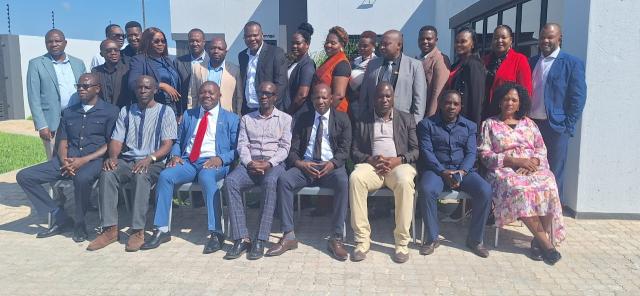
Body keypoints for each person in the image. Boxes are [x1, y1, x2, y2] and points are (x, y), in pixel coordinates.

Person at [17, 73, 119, 242]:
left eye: (85, 86)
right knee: (25, 176)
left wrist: (83, 161)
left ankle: (80, 222)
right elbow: (62, 140)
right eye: (78, 86)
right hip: (66, 161)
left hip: (93, 161)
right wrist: (65, 160)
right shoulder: (70, 112)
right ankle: (59, 216)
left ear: (97, 89)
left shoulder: (110, 111)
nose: (81, 89)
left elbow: (110, 144)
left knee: (81, 178)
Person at [141, 82, 240, 253]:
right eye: (203, 92)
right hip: (188, 161)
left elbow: (237, 149)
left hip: (214, 161)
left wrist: (221, 159)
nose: (206, 96)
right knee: (165, 176)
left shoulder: (231, 118)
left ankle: (216, 232)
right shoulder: (189, 115)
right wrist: (176, 155)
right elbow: (178, 141)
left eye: (211, 93)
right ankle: (162, 229)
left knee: (206, 178)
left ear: (219, 96)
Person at [87, 75, 177, 252]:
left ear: (155, 90)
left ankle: (137, 231)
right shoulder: (126, 111)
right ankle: (110, 229)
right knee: (108, 172)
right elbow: (116, 140)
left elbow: (167, 144)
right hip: (128, 160)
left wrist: (149, 159)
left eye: (147, 88)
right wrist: (113, 157)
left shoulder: (166, 111)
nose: (143, 91)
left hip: (154, 161)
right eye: (139, 88)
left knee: (141, 175)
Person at [478, 82, 565, 265]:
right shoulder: (490, 124)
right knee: (520, 189)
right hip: (503, 171)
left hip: (532, 168)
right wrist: (515, 161)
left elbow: (541, 148)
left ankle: (537, 241)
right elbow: (485, 155)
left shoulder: (529, 124)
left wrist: (532, 162)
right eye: (506, 99)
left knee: (549, 184)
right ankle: (546, 245)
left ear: (520, 104)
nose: (510, 103)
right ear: (500, 102)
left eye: (514, 100)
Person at [269, 84, 351, 260]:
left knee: (343, 182)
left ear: (331, 99)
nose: (320, 101)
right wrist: (300, 164)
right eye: (316, 98)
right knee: (284, 180)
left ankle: (336, 238)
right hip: (307, 166)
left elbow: (345, 150)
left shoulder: (342, 119)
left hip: (330, 167)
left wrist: (333, 164)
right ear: (312, 100)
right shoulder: (302, 119)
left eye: (324, 98)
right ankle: (288, 235)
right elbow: (292, 149)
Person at [349, 82, 419, 264]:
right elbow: (354, 151)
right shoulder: (363, 119)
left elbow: (416, 150)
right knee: (356, 178)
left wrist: (398, 159)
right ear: (374, 99)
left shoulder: (406, 118)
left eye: (388, 96)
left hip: (398, 166)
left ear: (393, 98)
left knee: (405, 182)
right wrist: (370, 159)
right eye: (380, 96)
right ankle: (362, 240)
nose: (384, 100)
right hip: (372, 167)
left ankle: (402, 243)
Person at [416, 90, 491, 258]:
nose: (451, 107)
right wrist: (443, 172)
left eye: (455, 104)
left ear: (460, 107)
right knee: (427, 190)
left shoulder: (469, 126)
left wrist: (461, 172)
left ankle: (475, 239)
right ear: (441, 103)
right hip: (436, 170)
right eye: (448, 103)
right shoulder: (426, 125)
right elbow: (427, 152)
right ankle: (432, 238)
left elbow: (472, 153)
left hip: (463, 170)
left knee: (485, 190)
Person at [223, 81, 292, 260]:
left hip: (273, 165)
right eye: (261, 93)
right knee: (231, 181)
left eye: (268, 94)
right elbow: (242, 145)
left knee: (270, 182)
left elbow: (285, 148)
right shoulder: (247, 118)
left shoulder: (285, 119)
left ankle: (260, 238)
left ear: (275, 97)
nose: (264, 96)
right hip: (250, 164)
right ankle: (242, 238)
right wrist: (249, 162)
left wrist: (269, 164)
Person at [529, 23, 587, 205]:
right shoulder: (531, 62)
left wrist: (567, 127)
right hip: (532, 127)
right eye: (542, 37)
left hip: (555, 127)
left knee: (553, 174)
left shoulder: (571, 63)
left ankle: (551, 223)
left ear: (559, 38)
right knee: (531, 170)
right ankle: (534, 214)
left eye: (550, 37)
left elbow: (578, 97)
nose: (545, 40)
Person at [27, 29, 87, 159]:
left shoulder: (78, 63)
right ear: (45, 43)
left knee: (77, 155)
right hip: (51, 122)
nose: (54, 44)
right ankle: (55, 180)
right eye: (49, 41)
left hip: (76, 118)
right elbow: (34, 98)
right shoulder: (36, 64)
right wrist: (42, 125)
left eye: (58, 41)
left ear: (65, 43)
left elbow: (86, 91)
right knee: (54, 158)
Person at [359, 30, 427, 123]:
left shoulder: (415, 66)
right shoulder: (372, 65)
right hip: (374, 122)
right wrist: (363, 119)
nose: (382, 47)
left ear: (399, 45)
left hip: (402, 123)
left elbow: (419, 100)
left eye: (386, 44)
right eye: (381, 44)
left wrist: (414, 125)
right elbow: (364, 95)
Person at [482, 25, 532, 119]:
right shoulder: (484, 61)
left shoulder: (520, 60)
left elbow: (525, 91)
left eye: (503, 37)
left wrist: (521, 115)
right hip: (485, 112)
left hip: (507, 115)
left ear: (510, 40)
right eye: (496, 38)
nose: (499, 40)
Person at [128, 27, 182, 114]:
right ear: (148, 43)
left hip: (173, 108)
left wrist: (180, 112)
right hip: (153, 110)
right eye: (156, 41)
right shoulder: (139, 60)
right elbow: (132, 84)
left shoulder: (167, 60)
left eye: (163, 41)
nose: (160, 44)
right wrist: (160, 85)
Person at [238, 21, 288, 114]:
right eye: (248, 36)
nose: (252, 39)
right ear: (244, 38)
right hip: (248, 110)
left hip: (269, 110)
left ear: (262, 35)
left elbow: (281, 84)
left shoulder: (276, 53)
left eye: (255, 35)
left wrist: (269, 108)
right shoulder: (242, 56)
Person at [446, 27, 486, 127]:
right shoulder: (457, 64)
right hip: (453, 119)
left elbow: (477, 100)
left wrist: (473, 129)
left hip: (465, 121)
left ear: (472, 44)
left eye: (463, 41)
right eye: (457, 42)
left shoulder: (474, 65)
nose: (459, 45)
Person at [314, 26, 351, 114]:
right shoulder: (330, 59)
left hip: (335, 113)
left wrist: (324, 114)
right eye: (327, 42)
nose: (328, 45)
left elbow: (339, 95)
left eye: (333, 43)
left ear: (342, 45)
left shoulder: (342, 64)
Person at [417, 25, 451, 117]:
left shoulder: (440, 59)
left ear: (436, 40)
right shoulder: (417, 59)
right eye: (421, 39)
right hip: (416, 112)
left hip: (429, 114)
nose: (425, 42)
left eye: (429, 39)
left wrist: (430, 118)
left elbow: (438, 92)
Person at [206, 37, 243, 115]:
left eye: (220, 49)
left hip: (226, 114)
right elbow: (193, 95)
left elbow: (239, 96)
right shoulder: (198, 68)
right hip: (204, 114)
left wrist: (238, 115)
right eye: (213, 48)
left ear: (226, 52)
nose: (216, 51)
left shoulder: (235, 70)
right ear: (208, 50)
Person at [286, 23, 316, 116]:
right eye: (292, 43)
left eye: (298, 43)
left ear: (307, 44)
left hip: (299, 115)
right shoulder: (294, 62)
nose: (294, 46)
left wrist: (288, 113)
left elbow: (302, 95)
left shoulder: (307, 65)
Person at [91, 39, 132, 108]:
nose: (113, 53)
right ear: (101, 54)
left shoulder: (127, 70)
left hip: (123, 112)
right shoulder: (95, 71)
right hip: (103, 112)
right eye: (109, 51)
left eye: (116, 50)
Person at [176, 28, 209, 111]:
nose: (195, 43)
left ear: (204, 42)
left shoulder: (212, 61)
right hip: (186, 109)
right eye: (191, 41)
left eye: (198, 41)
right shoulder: (178, 62)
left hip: (208, 108)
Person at [349, 30, 377, 113]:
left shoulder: (376, 63)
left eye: (365, 46)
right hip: (352, 100)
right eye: (360, 46)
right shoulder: (354, 61)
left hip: (367, 102)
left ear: (373, 47)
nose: (361, 48)